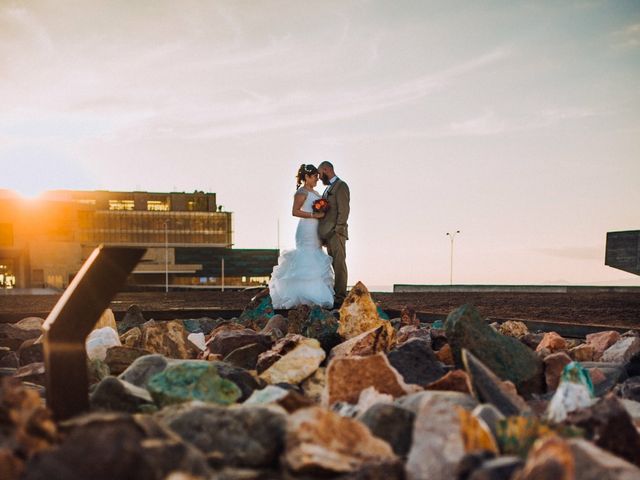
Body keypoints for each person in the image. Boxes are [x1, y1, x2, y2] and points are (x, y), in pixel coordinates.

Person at [268, 164, 335, 309]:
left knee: (316, 255)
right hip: (306, 229)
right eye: (314, 177)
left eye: (317, 176)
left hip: (316, 229)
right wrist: (314, 215)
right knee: (306, 256)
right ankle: (302, 296)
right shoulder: (301, 192)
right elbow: (295, 211)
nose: (317, 179)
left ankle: (316, 294)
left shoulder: (316, 193)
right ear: (306, 177)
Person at [317, 161, 350, 308]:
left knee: (339, 264)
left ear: (326, 170)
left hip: (336, 233)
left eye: (320, 173)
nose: (319, 177)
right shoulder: (327, 189)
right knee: (331, 264)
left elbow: (344, 210)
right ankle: (334, 293)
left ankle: (341, 296)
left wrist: (338, 229)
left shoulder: (341, 186)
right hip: (328, 234)